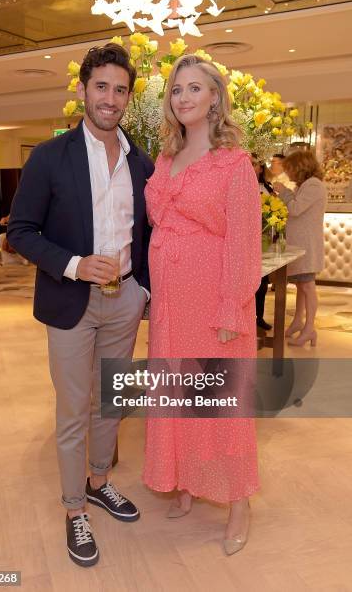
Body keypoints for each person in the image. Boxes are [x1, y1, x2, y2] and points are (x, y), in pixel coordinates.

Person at [7, 43, 153, 568]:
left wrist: (146, 290)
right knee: (73, 410)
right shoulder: (50, 157)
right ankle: (75, 510)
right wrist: (72, 263)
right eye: (101, 87)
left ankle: (98, 483)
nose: (110, 98)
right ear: (82, 90)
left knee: (108, 403)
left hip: (125, 301)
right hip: (71, 301)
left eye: (119, 90)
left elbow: (149, 234)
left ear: (127, 98)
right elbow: (20, 232)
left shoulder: (142, 162)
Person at [143, 55, 261, 556]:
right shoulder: (165, 159)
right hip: (170, 301)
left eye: (194, 88)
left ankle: (238, 503)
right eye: (176, 90)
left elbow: (244, 241)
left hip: (213, 300)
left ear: (215, 97)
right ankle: (184, 481)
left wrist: (234, 308)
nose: (183, 97)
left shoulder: (234, 162)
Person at [273, 150, 326, 347]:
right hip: (301, 244)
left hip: (307, 245)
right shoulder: (306, 185)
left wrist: (284, 192)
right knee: (301, 286)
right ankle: (298, 322)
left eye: (290, 169)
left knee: (307, 286)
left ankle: (309, 328)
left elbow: (295, 209)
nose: (288, 174)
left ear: (299, 167)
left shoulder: (313, 185)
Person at [251, 155, 273, 331]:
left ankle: (259, 316)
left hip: (262, 237)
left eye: (254, 164)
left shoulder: (267, 187)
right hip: (246, 238)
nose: (252, 167)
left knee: (262, 282)